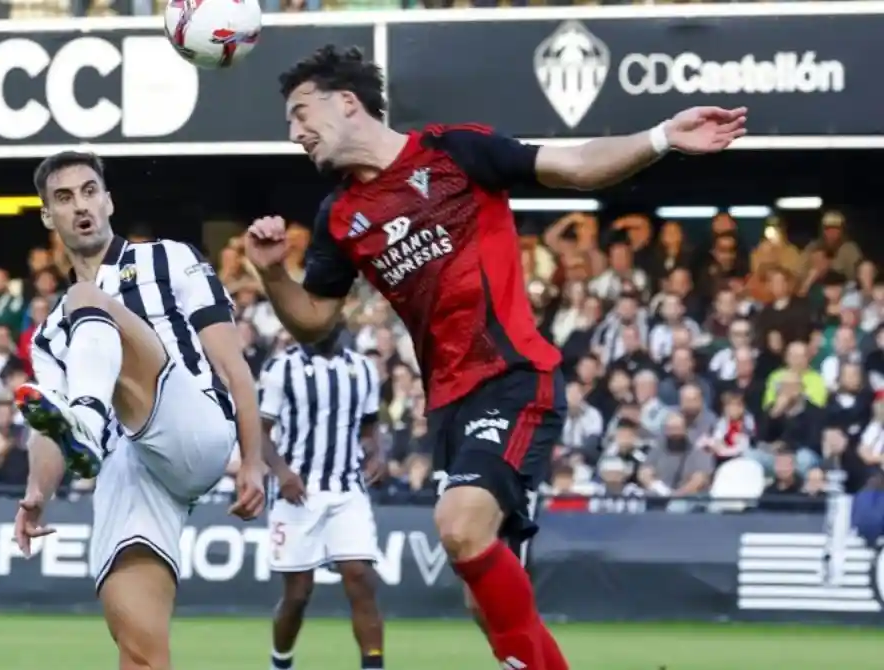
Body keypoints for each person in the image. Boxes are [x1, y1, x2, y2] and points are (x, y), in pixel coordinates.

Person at [244, 45, 747, 670]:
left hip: (513, 378)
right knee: (485, 601)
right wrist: (271, 276)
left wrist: (661, 136)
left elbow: (574, 164)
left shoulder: (454, 151)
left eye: (300, 113)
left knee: (458, 525)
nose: (294, 132)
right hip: (449, 406)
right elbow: (316, 321)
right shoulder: (339, 217)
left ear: (347, 103)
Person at [12, 151, 266, 670]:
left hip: (191, 422)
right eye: (63, 198)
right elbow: (47, 425)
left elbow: (232, 365)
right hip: (129, 469)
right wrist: (37, 494)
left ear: (108, 200)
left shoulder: (171, 258)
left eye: (89, 191)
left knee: (90, 299)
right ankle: (87, 419)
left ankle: (89, 414)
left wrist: (254, 458)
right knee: (139, 652)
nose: (80, 206)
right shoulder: (49, 335)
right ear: (47, 216)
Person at [259, 326, 386, 670]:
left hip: (347, 489)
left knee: (360, 576)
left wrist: (376, 454)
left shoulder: (363, 368)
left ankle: (373, 665)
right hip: (297, 492)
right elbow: (260, 431)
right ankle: (281, 661)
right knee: (298, 593)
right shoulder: (280, 368)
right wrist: (282, 472)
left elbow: (371, 425)